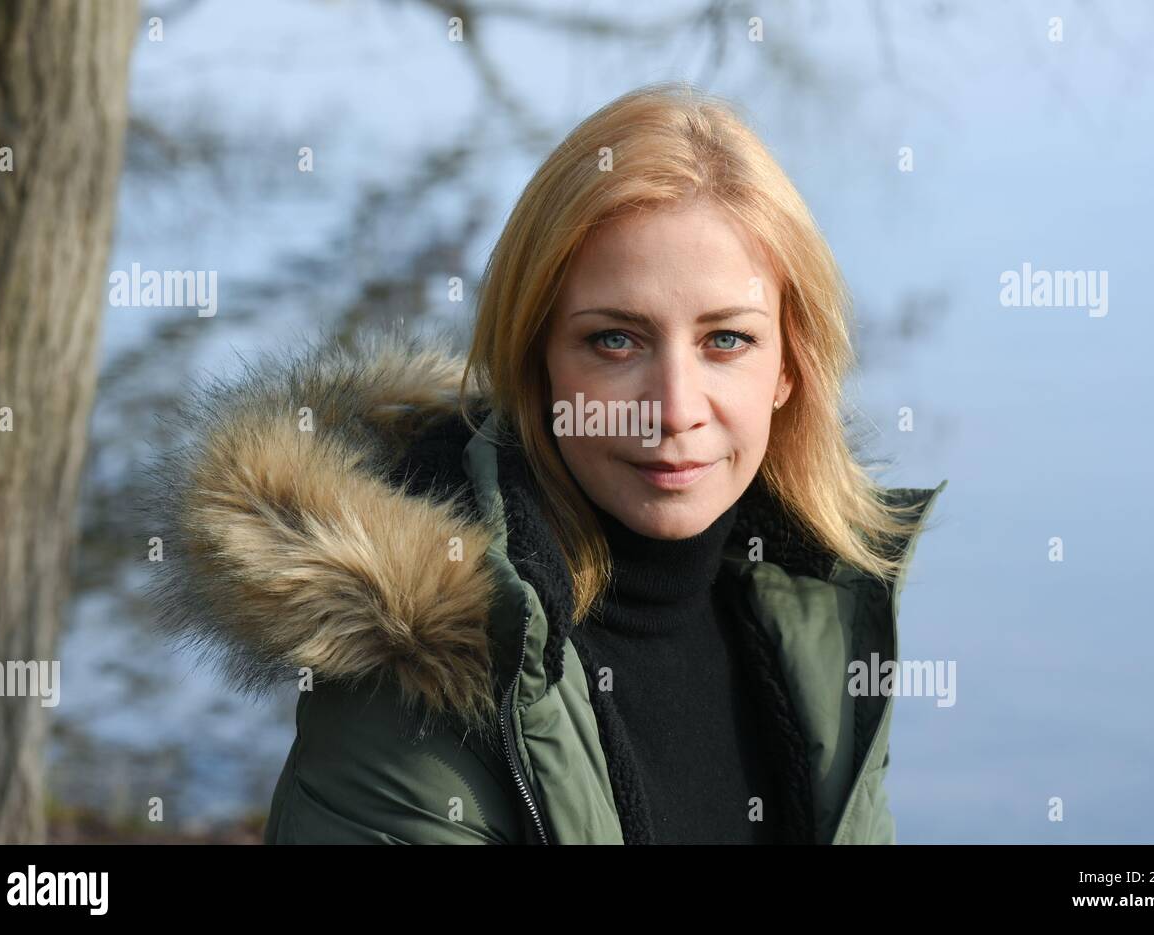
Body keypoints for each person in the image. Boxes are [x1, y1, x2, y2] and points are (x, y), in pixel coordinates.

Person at [142, 80, 947, 844]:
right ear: (535, 364)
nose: (672, 407)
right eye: (614, 340)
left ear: (788, 369)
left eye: (725, 340)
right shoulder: (423, 678)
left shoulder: (817, 612)